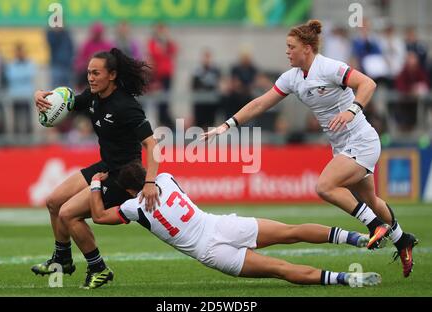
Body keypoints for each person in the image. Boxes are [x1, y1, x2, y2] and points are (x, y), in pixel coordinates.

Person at [202, 20, 418, 278]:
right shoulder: (292, 78)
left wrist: (352, 110)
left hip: (362, 140)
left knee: (324, 187)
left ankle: (374, 226)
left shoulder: (329, 67)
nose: (287, 51)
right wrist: (226, 126)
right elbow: (260, 103)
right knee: (371, 200)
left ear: (306, 48)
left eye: (291, 46)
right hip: (341, 147)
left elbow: (368, 84)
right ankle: (402, 239)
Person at [88, 161, 381, 288]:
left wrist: (95, 185)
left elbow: (100, 217)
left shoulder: (132, 207)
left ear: (128, 190)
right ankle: (353, 237)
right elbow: (154, 157)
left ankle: (347, 279)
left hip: (209, 251)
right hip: (221, 226)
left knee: (280, 269)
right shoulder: (165, 179)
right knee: (290, 232)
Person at [31, 48, 160, 289]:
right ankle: (63, 260)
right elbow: (63, 103)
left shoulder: (126, 106)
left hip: (123, 175)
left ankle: (98, 268)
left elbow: (152, 145)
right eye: (89, 72)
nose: (90, 78)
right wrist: (40, 95)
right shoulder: (92, 97)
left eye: (96, 73)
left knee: (68, 213)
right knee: (53, 201)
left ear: (111, 75)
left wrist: (150, 182)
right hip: (105, 166)